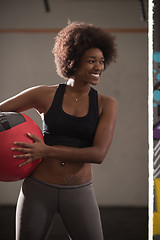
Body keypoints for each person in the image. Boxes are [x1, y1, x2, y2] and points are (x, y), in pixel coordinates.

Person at [0, 21, 117, 240]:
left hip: (79, 192)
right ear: (72, 60)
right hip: (37, 190)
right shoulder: (45, 94)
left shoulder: (106, 104)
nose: (98, 67)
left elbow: (98, 154)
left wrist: (46, 151)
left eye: (101, 61)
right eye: (91, 61)